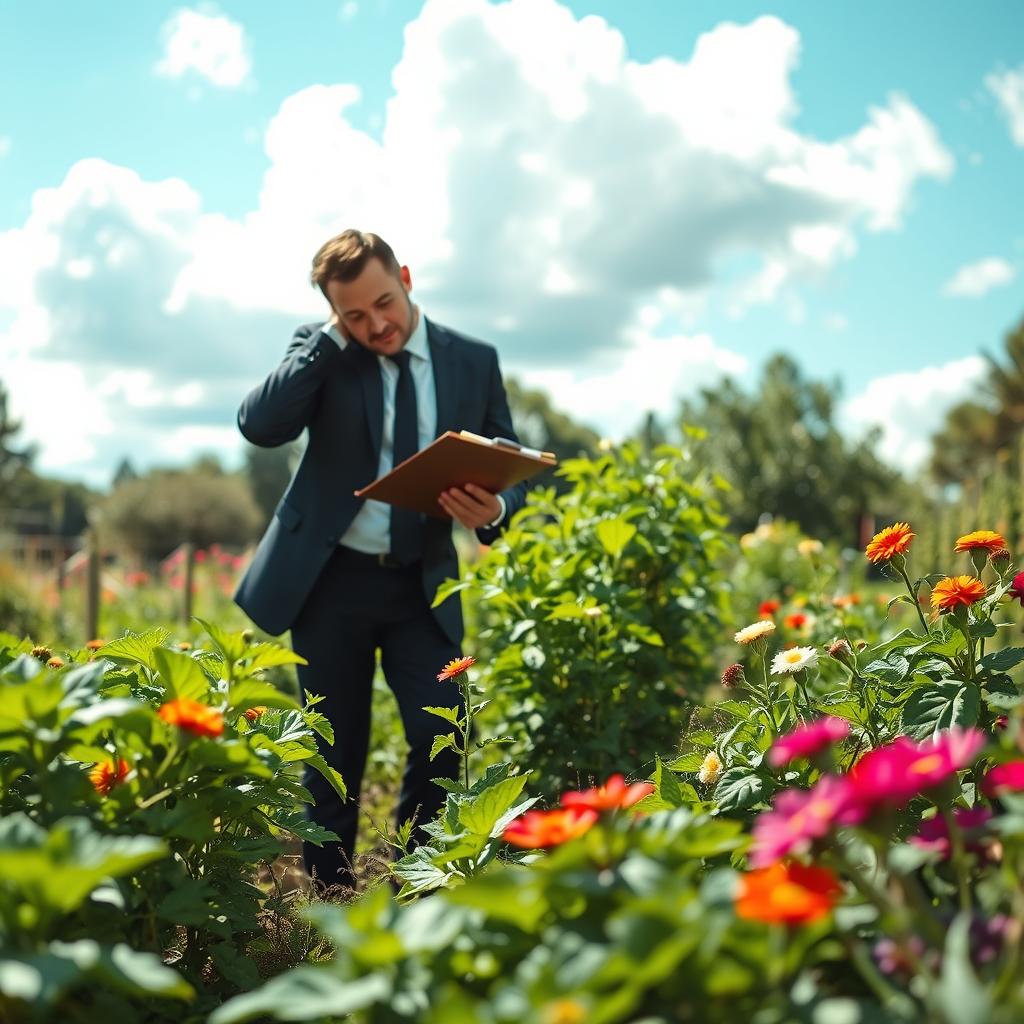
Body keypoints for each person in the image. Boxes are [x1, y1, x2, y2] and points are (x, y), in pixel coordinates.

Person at [234, 229, 528, 889]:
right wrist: (328, 339)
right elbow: (259, 425)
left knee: (440, 734)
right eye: (355, 315)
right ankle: (332, 899)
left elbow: (511, 462)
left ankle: (414, 884)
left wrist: (497, 511)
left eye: (384, 303)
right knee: (332, 752)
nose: (377, 325)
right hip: (328, 583)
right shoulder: (323, 351)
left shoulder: (472, 361)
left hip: (419, 587)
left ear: (406, 275)